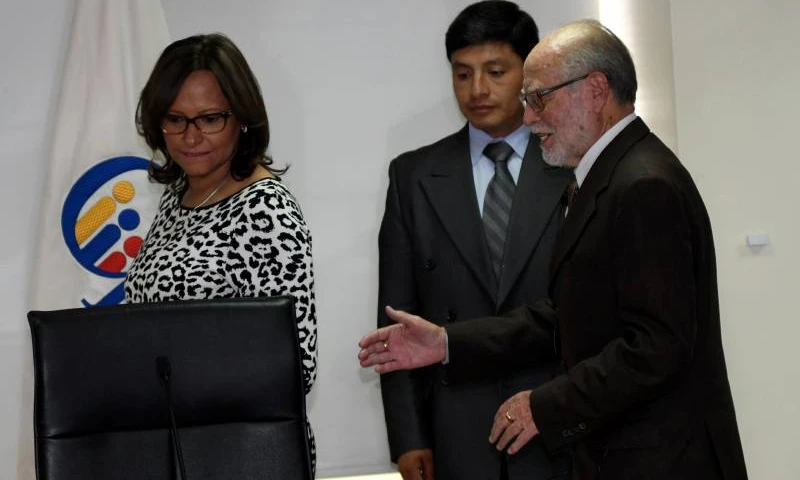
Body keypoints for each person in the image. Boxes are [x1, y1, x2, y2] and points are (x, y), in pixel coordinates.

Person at [361, 19, 748, 480]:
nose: (528, 118)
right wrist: (448, 342)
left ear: (596, 90)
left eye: (540, 98)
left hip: (660, 460)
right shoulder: (608, 176)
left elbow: (655, 347)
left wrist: (543, 406)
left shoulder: (642, 184)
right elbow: (564, 317)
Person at [376, 2, 572, 480]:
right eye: (462, 74)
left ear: (529, 73)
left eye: (495, 72)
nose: (477, 89)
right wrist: (409, 438)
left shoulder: (569, 165)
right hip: (455, 426)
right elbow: (395, 317)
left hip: (554, 418)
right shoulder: (414, 175)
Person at [124, 33, 318, 471]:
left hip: (241, 457)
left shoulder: (266, 210)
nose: (190, 137)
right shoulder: (178, 196)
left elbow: (295, 365)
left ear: (242, 118)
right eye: (175, 119)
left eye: (209, 119)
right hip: (171, 450)